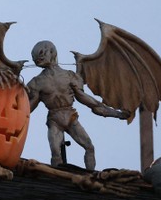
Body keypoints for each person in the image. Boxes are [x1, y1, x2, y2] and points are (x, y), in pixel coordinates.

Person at [26, 40, 128, 170]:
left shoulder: (69, 76)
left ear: (51, 52)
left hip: (70, 116)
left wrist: (116, 113)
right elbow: (27, 109)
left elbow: (89, 102)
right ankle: (57, 180)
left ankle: (91, 177)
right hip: (54, 120)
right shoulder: (36, 82)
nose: (37, 58)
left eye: (41, 53)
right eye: (34, 56)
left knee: (89, 147)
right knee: (56, 153)